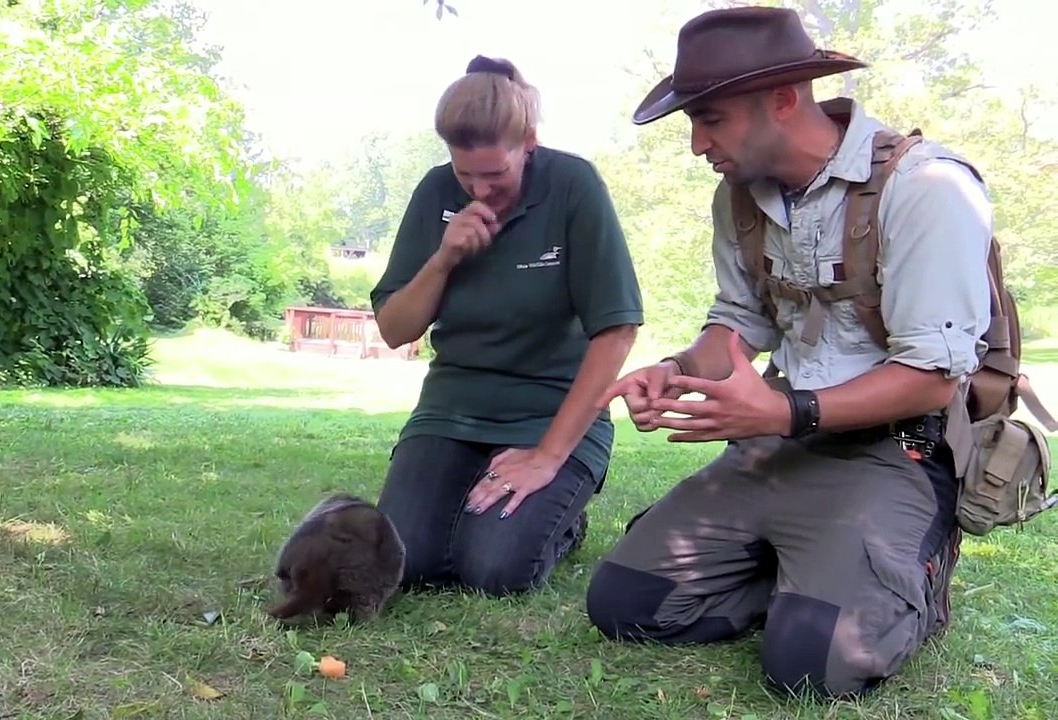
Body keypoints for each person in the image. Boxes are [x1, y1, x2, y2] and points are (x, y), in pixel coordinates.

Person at [585, 6, 993, 701]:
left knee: (809, 665)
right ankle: (807, 573)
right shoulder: (738, 198)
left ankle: (887, 586)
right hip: (779, 450)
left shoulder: (927, 188)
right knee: (627, 604)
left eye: (710, 118)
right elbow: (739, 326)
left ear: (782, 98)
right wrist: (677, 371)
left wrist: (783, 412)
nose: (696, 145)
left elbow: (930, 379)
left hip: (895, 454)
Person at [369, 55, 644, 597]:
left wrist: (547, 457)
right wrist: (444, 258)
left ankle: (561, 520)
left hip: (549, 413)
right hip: (451, 411)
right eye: (464, 173)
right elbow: (395, 329)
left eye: (495, 173)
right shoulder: (434, 193)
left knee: (494, 571)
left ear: (529, 142)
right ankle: (475, 509)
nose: (479, 189)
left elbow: (617, 331)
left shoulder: (573, 186)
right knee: (405, 561)